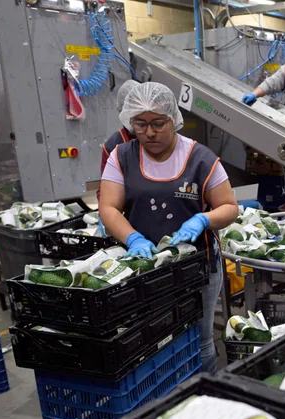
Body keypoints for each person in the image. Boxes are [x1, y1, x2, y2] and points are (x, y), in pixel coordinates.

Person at [99, 83, 239, 374]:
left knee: (199, 340)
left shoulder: (200, 157)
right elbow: (109, 207)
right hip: (145, 267)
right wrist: (132, 237)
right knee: (150, 339)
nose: (149, 133)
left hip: (196, 265)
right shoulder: (121, 156)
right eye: (140, 124)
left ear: (173, 119)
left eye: (158, 124)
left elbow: (229, 206)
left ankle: (205, 398)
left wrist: (204, 219)